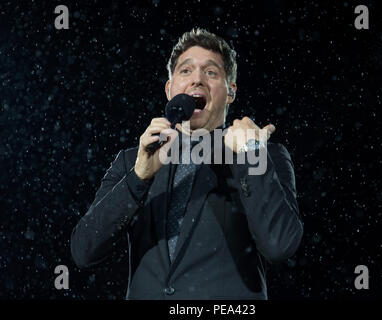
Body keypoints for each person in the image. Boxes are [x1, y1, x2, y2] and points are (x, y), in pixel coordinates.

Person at [70, 28, 303, 300]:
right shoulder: (131, 160)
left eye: (211, 72)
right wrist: (138, 177)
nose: (197, 80)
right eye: (185, 71)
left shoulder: (264, 154)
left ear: (230, 92)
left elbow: (280, 245)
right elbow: (83, 251)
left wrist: (251, 153)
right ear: (170, 90)